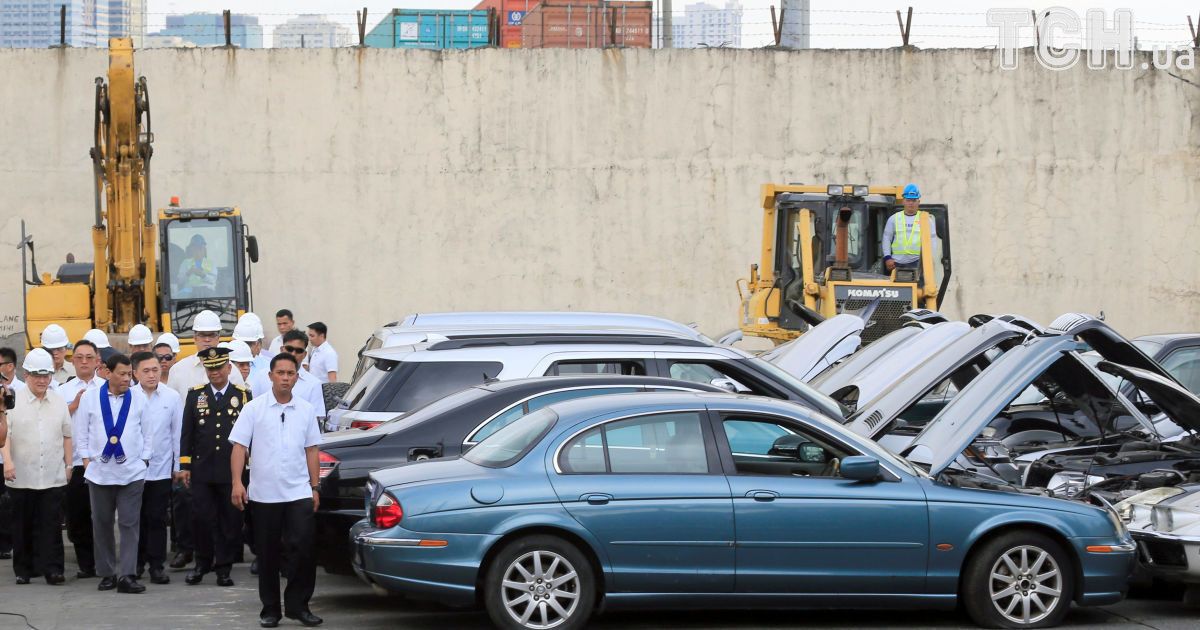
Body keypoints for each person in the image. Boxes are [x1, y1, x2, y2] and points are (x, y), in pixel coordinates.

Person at [230, 352, 323, 628]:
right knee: (268, 554)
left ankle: (299, 606)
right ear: (270, 376)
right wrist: (237, 482)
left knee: (303, 550)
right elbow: (238, 447)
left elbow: (312, 450)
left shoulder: (306, 410)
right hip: (264, 494)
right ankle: (270, 609)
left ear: (297, 377)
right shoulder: (254, 408)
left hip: (298, 492)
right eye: (280, 373)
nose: (285, 378)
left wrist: (315, 486)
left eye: (290, 373)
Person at [76, 353, 152, 594]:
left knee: (130, 523)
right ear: (108, 373)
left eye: (129, 374)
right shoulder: (90, 398)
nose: (126, 379)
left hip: (132, 472)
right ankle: (107, 573)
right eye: (121, 374)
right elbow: (82, 431)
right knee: (102, 523)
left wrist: (144, 459)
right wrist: (87, 460)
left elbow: (147, 431)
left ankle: (127, 575)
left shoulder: (138, 398)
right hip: (99, 473)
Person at [0, 349, 71, 585]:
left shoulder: (59, 401)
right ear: (27, 375)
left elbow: (67, 435)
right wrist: (8, 463)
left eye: (46, 376)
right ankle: (24, 569)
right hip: (22, 474)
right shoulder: (13, 400)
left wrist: (69, 465)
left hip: (52, 474)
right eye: (37, 376)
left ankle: (53, 570)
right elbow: (4, 435)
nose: (42, 380)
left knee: (51, 525)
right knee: (22, 524)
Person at [179, 347, 249, 588]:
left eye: (219, 367)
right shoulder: (195, 395)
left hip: (231, 470)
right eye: (210, 368)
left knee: (229, 520)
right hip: (202, 468)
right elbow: (187, 432)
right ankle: (202, 563)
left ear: (229, 368)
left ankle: (224, 567)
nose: (214, 373)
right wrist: (185, 465)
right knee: (201, 518)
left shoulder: (242, 396)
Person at [131, 351, 182, 585]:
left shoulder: (172, 397)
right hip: (133, 471)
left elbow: (177, 434)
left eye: (155, 370)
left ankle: (157, 565)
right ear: (135, 373)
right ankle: (136, 563)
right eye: (146, 371)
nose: (152, 375)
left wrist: (179, 465)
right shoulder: (128, 397)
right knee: (135, 519)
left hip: (161, 469)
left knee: (158, 519)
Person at [59, 338, 103, 579]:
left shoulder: (107, 386)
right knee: (77, 517)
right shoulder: (62, 390)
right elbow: (53, 419)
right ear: (72, 361)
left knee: (102, 515)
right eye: (79, 358)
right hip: (75, 464)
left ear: (97, 361)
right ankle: (86, 564)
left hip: (102, 462)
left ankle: (104, 561)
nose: (84, 362)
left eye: (89, 357)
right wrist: (73, 405)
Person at [249, 331, 325, 429]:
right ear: (282, 349)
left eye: (298, 351)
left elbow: (315, 422)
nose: (293, 354)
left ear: (305, 354)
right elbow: (253, 410)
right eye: (289, 349)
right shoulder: (262, 376)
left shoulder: (313, 384)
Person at [169, 310, 244, 398]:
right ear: (195, 338)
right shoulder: (178, 370)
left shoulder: (232, 371)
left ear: (218, 338)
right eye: (202, 335)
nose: (207, 340)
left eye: (212, 335)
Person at [881, 183, 937, 273]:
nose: (911, 203)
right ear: (903, 201)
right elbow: (886, 239)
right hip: (895, 263)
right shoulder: (893, 219)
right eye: (908, 200)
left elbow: (932, 242)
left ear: (918, 202)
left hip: (917, 262)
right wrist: (887, 257)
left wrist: (929, 261)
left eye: (914, 200)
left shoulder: (926, 219)